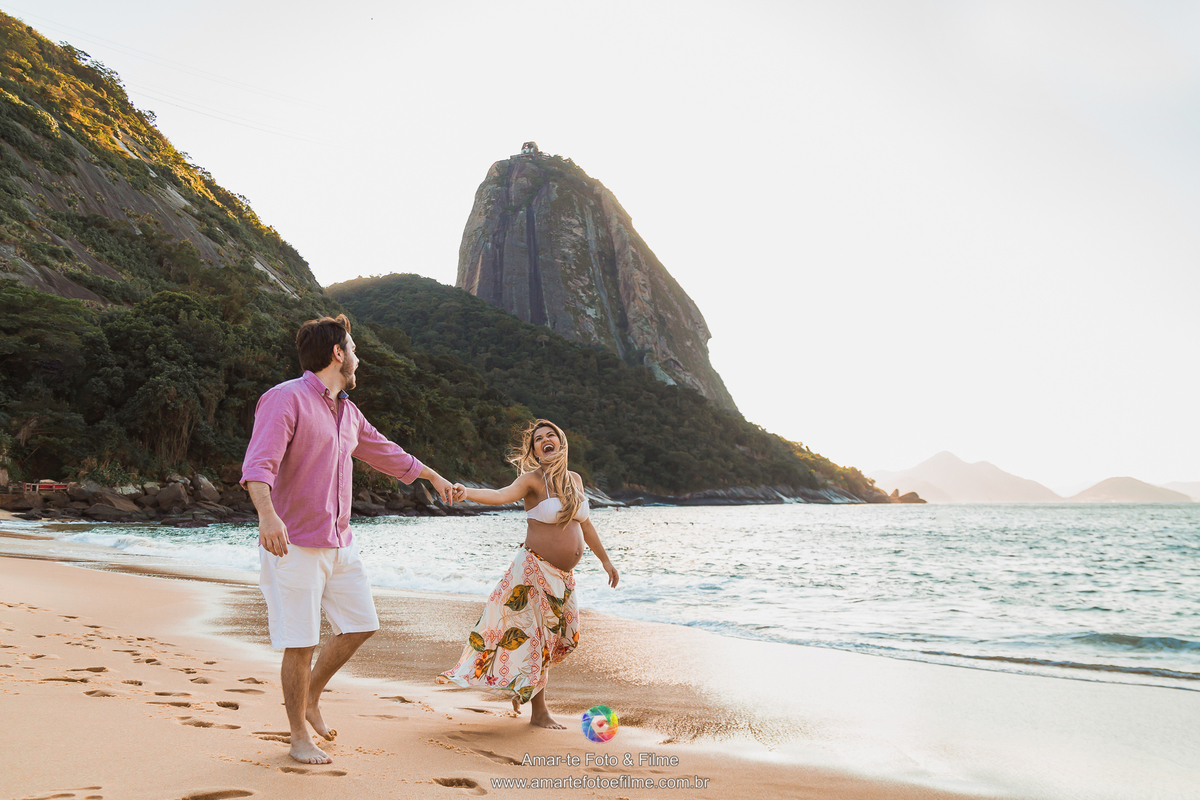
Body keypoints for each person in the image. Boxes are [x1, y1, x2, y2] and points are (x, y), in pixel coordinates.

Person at [241, 314, 455, 764]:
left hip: (340, 542)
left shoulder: (347, 412)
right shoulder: (285, 399)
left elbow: (387, 453)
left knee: (361, 624)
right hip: (293, 543)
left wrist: (434, 478)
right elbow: (259, 466)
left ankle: (311, 697)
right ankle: (298, 735)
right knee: (301, 642)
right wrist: (268, 517)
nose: (359, 358)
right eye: (354, 349)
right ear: (338, 354)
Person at [439, 419, 619, 729]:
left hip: (562, 578)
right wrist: (465, 491)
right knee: (541, 639)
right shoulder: (532, 481)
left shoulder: (574, 480)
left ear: (561, 443)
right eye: (539, 439)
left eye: (551, 435)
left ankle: (525, 683)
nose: (546, 440)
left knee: (567, 636)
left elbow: (585, 524)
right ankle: (539, 712)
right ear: (534, 451)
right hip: (533, 571)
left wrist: (606, 561)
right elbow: (499, 495)